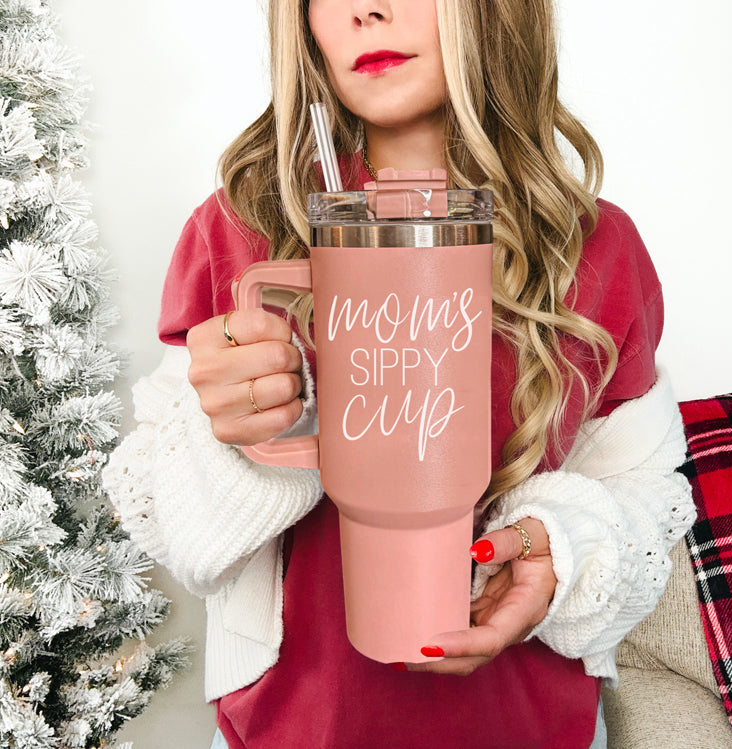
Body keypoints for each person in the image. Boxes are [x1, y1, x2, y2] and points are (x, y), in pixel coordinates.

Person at [102, 0, 696, 747]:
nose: (366, 11)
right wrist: (241, 434)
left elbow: (643, 490)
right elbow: (170, 527)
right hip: (290, 732)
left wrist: (563, 548)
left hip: (531, 729)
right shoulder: (239, 230)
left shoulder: (594, 245)